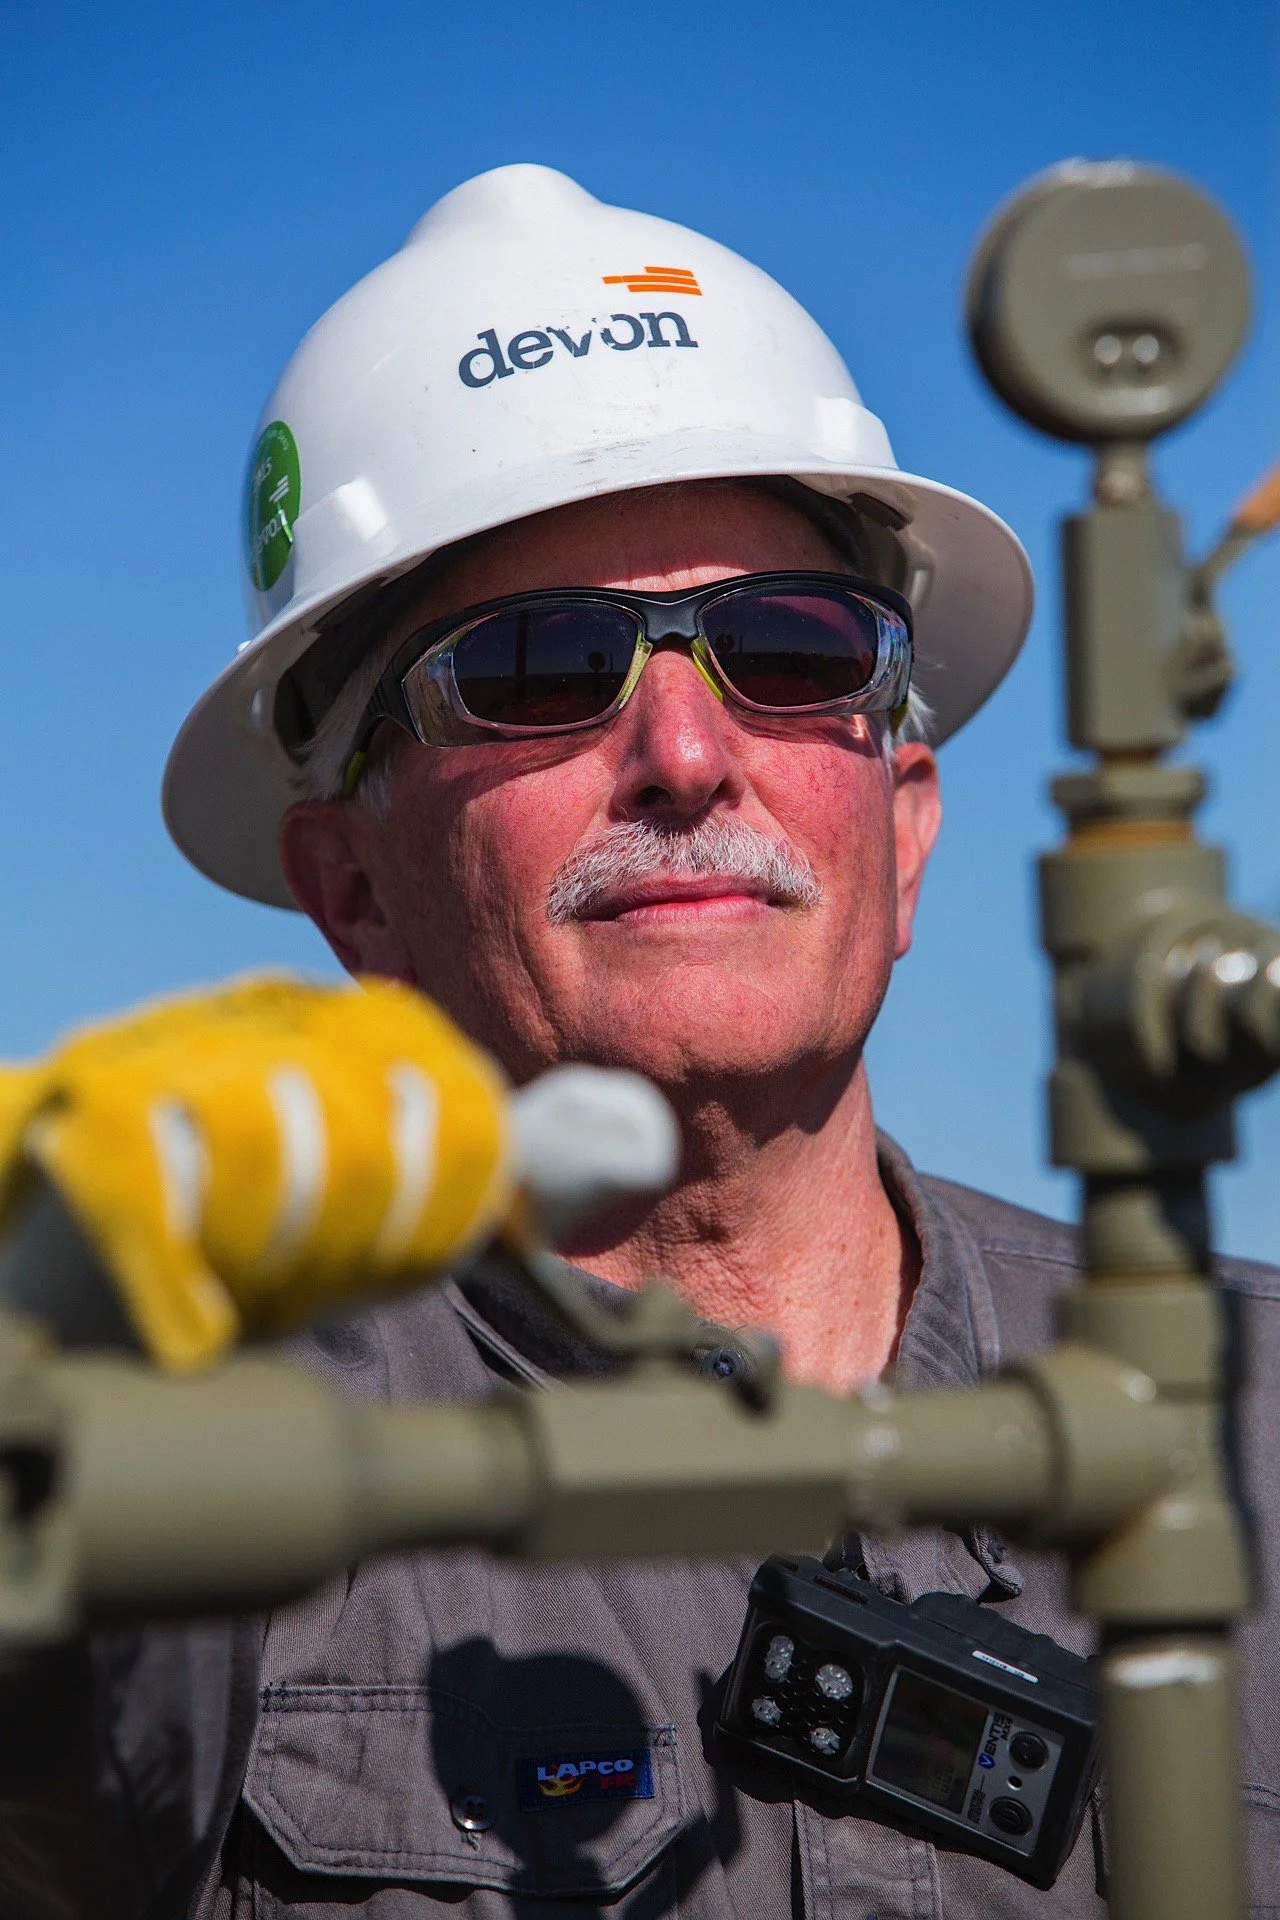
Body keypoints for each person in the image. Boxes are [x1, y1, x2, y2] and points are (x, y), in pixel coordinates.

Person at [11, 164, 1280, 1918]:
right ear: (353, 894)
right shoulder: (194, 1466)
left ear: (904, 830)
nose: (685, 753)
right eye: (535, 667)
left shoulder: (1261, 1418)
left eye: (786, 646)